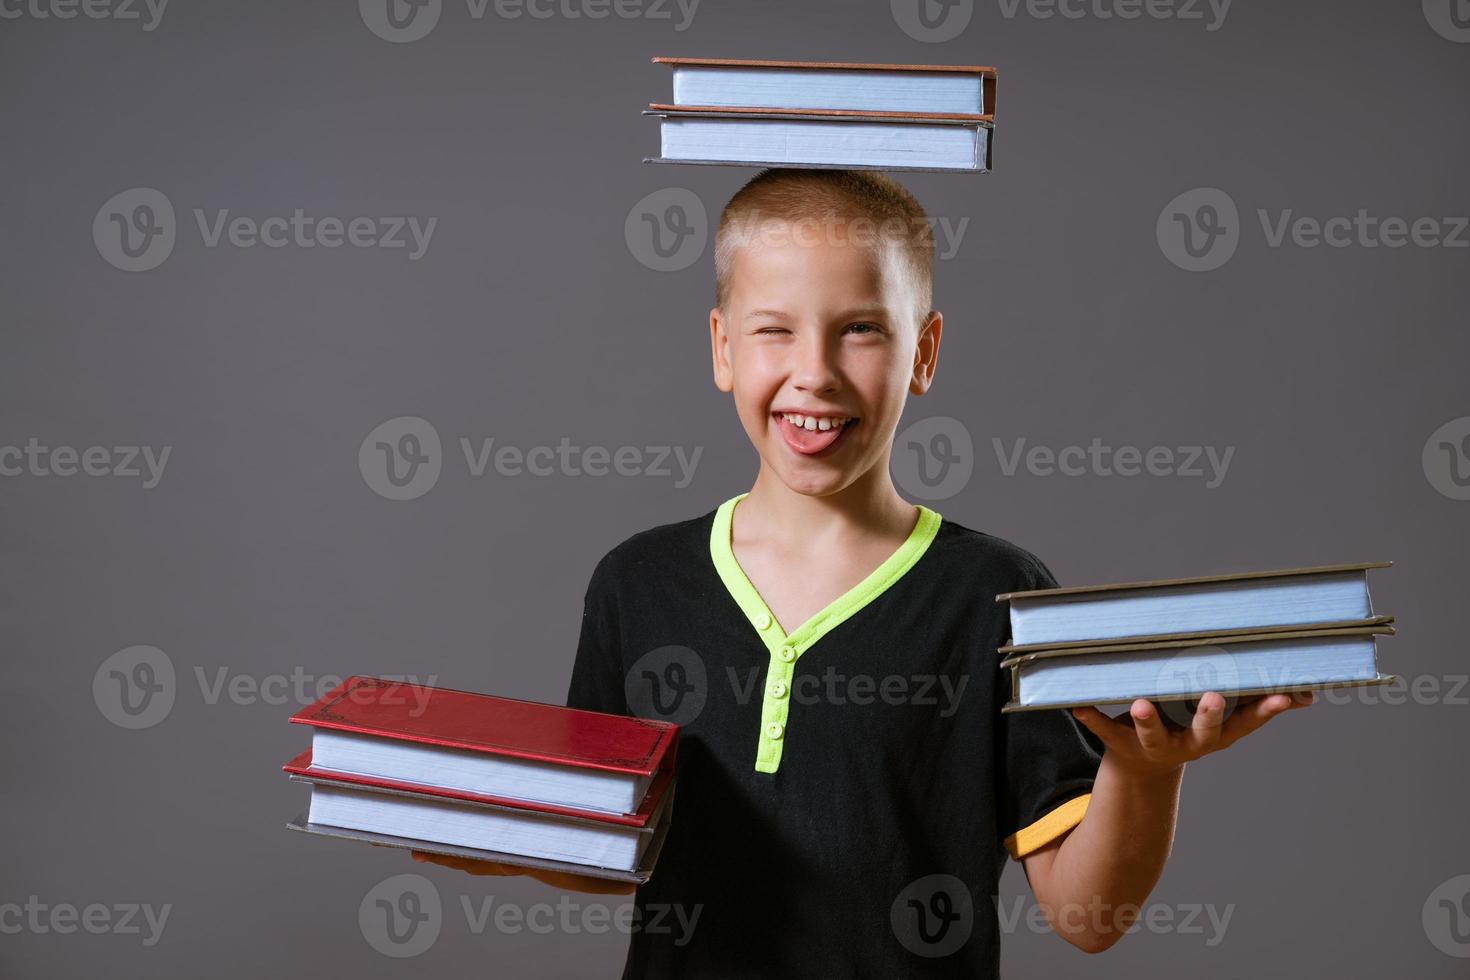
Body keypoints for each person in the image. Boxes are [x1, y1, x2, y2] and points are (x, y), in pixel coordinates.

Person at [414, 168, 1312, 977]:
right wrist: (511, 838)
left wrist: (1146, 775)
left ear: (924, 353)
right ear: (723, 347)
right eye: (775, 331)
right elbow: (623, 856)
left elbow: (1085, 917)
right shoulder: (637, 581)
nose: (815, 373)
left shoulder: (996, 598)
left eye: (861, 332)